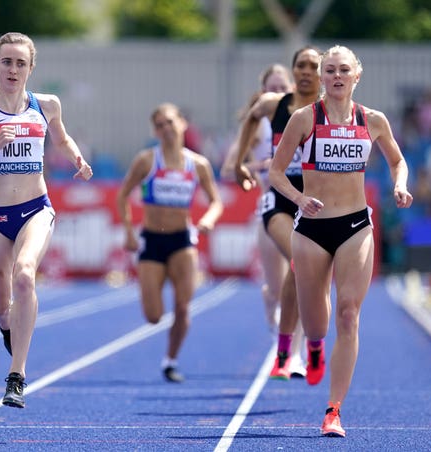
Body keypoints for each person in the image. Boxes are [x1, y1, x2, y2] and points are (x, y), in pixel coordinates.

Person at [0, 32, 93, 408]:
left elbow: (62, 139)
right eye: (6, 62)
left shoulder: (47, 105)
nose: (13, 69)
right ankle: (6, 323)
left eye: (20, 63)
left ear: (31, 68)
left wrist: (78, 159)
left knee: (25, 275)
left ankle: (17, 375)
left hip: (35, 209)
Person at [268, 45, 412, 437]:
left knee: (349, 313)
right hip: (312, 229)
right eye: (328, 69)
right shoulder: (304, 118)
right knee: (317, 323)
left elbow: (397, 160)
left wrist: (399, 184)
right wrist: (298, 199)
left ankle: (334, 410)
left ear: (356, 76)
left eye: (342, 70)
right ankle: (313, 347)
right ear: (321, 76)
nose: (335, 76)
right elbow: (277, 173)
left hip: (355, 226)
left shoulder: (373, 120)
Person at [116, 102, 223, 383]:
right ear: (155, 130)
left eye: (170, 122)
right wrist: (128, 231)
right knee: (153, 316)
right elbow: (122, 195)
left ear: (183, 124)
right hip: (152, 240)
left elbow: (216, 201)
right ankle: (166, 347)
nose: (166, 129)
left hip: (182, 241)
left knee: (184, 306)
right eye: (160, 125)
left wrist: (209, 219)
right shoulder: (147, 160)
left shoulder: (198, 164)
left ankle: (170, 360)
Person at [235, 46, 322, 380]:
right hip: (280, 198)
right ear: (293, 70)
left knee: (306, 276)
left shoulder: (327, 110)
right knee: (300, 262)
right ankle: (291, 354)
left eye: (313, 66)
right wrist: (242, 161)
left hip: (314, 200)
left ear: (321, 73)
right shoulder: (276, 104)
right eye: (300, 65)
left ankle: (303, 347)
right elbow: (252, 116)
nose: (305, 71)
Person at [221, 64, 299, 347]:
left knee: (303, 278)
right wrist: (260, 166)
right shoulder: (258, 125)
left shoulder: (302, 118)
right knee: (279, 287)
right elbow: (229, 169)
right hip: (270, 206)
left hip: (302, 207)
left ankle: (296, 351)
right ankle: (271, 297)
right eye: (273, 88)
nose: (278, 92)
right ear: (264, 92)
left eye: (283, 87)